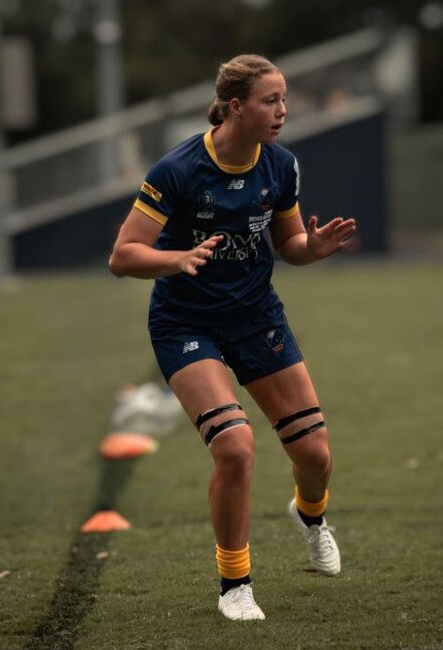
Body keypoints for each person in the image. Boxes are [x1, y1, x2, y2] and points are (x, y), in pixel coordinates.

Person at [109, 54, 357, 621]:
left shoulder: (281, 165)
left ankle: (310, 516)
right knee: (235, 446)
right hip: (185, 324)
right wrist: (177, 259)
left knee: (315, 455)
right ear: (235, 106)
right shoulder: (177, 169)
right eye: (271, 101)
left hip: (255, 318)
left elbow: (289, 243)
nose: (282, 111)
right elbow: (123, 256)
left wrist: (310, 251)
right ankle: (235, 582)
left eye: (284, 99)